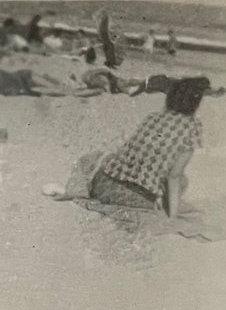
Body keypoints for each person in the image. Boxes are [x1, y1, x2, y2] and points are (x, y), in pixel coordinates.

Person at [89, 76, 212, 217]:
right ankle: (163, 205)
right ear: (195, 104)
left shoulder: (153, 117)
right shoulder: (192, 126)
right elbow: (174, 177)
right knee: (182, 181)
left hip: (101, 184)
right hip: (127, 196)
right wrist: (173, 217)